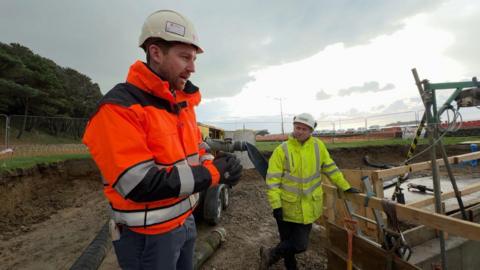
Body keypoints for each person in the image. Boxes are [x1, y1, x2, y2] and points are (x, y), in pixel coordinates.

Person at [83, 10, 242, 270]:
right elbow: (139, 184)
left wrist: (217, 162)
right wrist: (213, 174)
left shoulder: (181, 103)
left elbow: (196, 149)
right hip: (148, 237)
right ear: (156, 53)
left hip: (185, 221)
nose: (193, 68)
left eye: (193, 59)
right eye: (184, 58)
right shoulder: (118, 109)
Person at [260, 113, 358, 270]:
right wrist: (276, 205)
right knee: (287, 240)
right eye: (297, 127)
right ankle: (291, 266)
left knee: (299, 245)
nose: (299, 131)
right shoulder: (281, 150)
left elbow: (330, 168)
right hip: (286, 207)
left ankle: (270, 254)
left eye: (304, 129)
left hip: (308, 208)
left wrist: (344, 186)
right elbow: (272, 181)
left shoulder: (318, 147)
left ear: (311, 131)